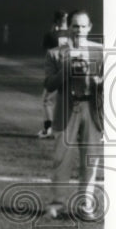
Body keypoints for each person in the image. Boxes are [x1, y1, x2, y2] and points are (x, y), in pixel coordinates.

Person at [44, 10, 103, 220]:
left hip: (91, 109)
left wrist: (100, 83)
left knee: (90, 159)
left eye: (82, 26)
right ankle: (56, 204)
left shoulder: (100, 51)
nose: (78, 30)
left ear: (89, 27)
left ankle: (85, 205)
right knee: (62, 159)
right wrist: (65, 70)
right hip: (67, 108)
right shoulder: (55, 53)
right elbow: (49, 85)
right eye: (75, 26)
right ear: (70, 28)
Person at [38, 10, 70, 138]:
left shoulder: (51, 35)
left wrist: (53, 29)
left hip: (57, 73)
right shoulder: (74, 34)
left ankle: (48, 128)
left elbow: (48, 53)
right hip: (73, 70)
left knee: (47, 101)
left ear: (56, 21)